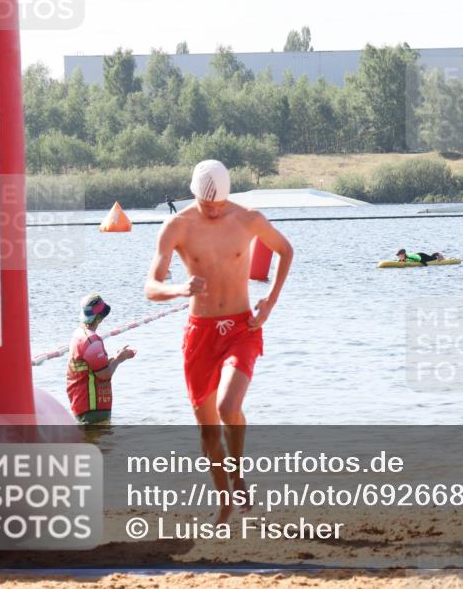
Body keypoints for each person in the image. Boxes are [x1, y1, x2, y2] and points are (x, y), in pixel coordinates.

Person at [145, 160, 294, 524]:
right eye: (206, 203)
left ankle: (238, 473)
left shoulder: (248, 219)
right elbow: (151, 286)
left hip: (243, 327)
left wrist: (270, 302)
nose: (213, 210)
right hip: (201, 332)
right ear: (193, 194)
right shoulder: (177, 226)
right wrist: (179, 289)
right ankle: (224, 501)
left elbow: (285, 250)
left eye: (219, 204)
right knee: (208, 432)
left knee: (229, 407)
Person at [66, 293, 137, 425]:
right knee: (99, 437)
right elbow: (104, 374)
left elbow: (92, 368)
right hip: (92, 408)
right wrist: (119, 359)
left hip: (81, 404)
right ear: (99, 318)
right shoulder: (91, 341)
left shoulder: (78, 334)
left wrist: (115, 357)